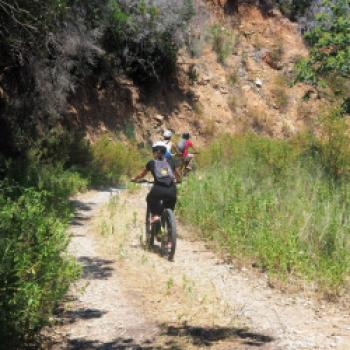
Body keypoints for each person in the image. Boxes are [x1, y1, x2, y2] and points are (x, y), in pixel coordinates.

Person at [131, 141, 179, 224]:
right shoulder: (171, 162)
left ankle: (156, 215)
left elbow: (141, 175)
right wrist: (179, 180)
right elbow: (177, 175)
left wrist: (135, 179)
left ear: (154, 152)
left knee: (150, 198)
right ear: (165, 152)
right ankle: (168, 222)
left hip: (158, 189)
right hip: (172, 189)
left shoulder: (151, 163)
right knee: (169, 205)